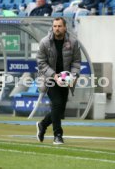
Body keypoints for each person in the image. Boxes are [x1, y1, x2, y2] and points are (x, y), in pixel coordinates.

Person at [36, 17, 81, 145]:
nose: (57, 28)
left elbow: (76, 62)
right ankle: (58, 135)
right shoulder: (45, 42)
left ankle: (42, 124)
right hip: (49, 78)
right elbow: (41, 62)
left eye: (59, 26)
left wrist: (73, 76)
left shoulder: (73, 42)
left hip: (66, 79)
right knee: (56, 104)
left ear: (65, 27)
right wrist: (54, 75)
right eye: (55, 26)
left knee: (60, 110)